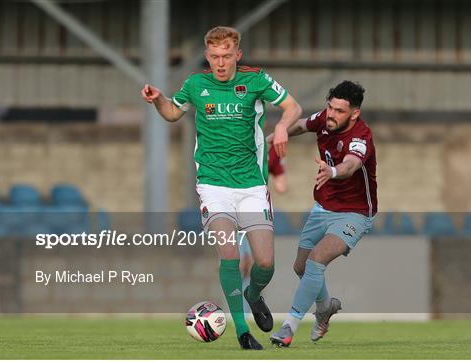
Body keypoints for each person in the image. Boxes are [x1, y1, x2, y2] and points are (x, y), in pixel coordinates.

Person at [141, 26, 302, 350]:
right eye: (214, 56)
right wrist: (159, 100)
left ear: (237, 55)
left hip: (251, 185)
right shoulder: (196, 84)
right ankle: (243, 331)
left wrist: (283, 126)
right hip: (213, 185)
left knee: (265, 264)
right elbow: (173, 113)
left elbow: (293, 107)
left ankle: (253, 294)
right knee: (229, 254)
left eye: (226, 55)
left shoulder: (256, 79)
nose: (220, 62)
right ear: (208, 56)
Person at [267, 81, 377, 347]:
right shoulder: (324, 120)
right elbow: (302, 125)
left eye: (339, 111)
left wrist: (334, 171)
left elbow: (350, 165)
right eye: (330, 107)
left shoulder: (361, 137)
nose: (331, 114)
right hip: (322, 208)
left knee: (316, 260)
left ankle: (288, 327)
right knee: (301, 267)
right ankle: (326, 306)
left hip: (354, 213)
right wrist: (269, 138)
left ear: (354, 114)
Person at [240, 146, 288, 314]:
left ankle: (241, 314)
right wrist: (279, 164)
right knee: (254, 264)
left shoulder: (231, 135)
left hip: (232, 204)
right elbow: (282, 187)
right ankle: (248, 312)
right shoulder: (272, 149)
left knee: (241, 264)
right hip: (256, 208)